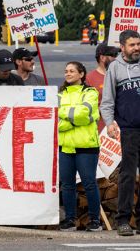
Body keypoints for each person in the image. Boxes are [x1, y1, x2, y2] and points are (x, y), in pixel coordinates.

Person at [100, 29, 140, 236]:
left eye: (138, 44)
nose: (136, 48)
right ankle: (123, 220)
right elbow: (107, 101)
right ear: (122, 47)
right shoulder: (115, 68)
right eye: (132, 45)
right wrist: (109, 123)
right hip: (129, 129)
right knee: (128, 175)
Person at [58, 61, 101, 232]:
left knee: (89, 183)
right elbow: (56, 120)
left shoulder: (91, 93)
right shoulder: (60, 94)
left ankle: (95, 220)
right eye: (66, 71)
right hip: (66, 147)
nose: (67, 74)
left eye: (71, 71)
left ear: (81, 74)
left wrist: (65, 118)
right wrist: (73, 121)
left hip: (86, 146)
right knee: (67, 185)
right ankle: (69, 220)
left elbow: (86, 114)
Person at [85, 43, 120, 132]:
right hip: (101, 130)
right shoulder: (89, 78)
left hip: (124, 128)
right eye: (114, 55)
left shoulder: (122, 75)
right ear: (102, 58)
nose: (117, 58)